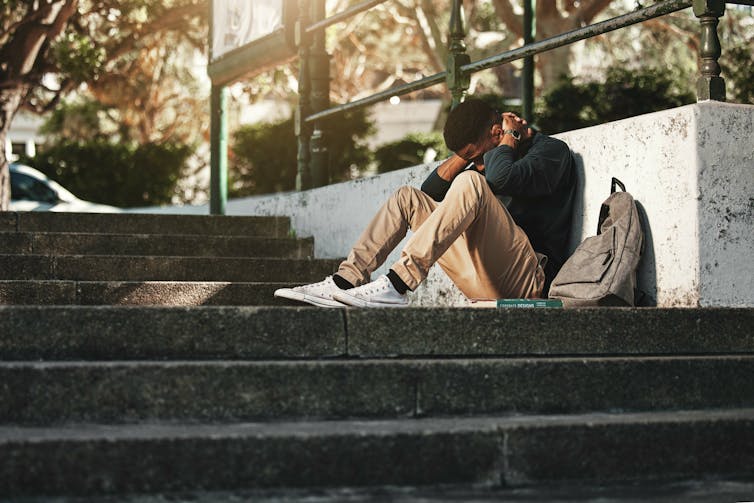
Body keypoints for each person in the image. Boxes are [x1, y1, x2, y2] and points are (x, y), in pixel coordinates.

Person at [275, 98, 576, 308]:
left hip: (530, 280)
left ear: (497, 134)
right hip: (483, 277)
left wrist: (508, 136)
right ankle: (344, 282)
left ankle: (397, 285)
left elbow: (501, 178)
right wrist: (468, 153)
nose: (474, 162)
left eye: (475, 154)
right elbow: (430, 191)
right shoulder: (489, 160)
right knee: (408, 198)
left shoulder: (549, 152)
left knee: (470, 182)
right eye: (470, 157)